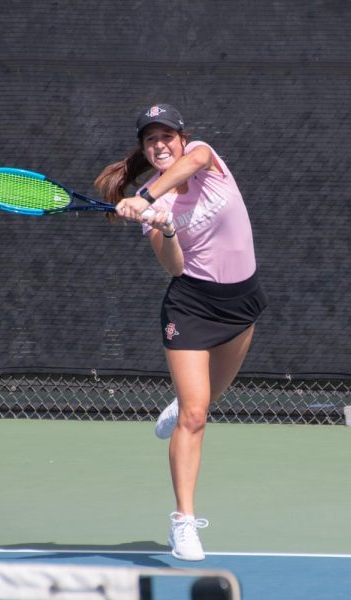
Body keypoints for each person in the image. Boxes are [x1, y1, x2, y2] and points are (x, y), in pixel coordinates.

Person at [95, 104, 267, 561]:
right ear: (145, 150)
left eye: (166, 136)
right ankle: (183, 522)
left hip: (241, 301)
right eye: (151, 140)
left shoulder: (204, 157)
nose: (160, 145)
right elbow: (174, 267)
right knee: (196, 415)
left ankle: (187, 401)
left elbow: (191, 162)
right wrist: (165, 226)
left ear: (182, 138)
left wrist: (147, 199)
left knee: (206, 398)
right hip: (192, 305)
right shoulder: (158, 203)